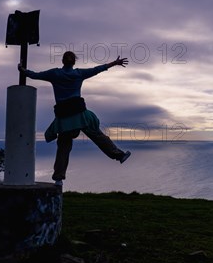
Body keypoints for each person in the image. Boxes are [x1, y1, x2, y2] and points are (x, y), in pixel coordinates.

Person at [18, 51, 131, 186]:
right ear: (74, 62)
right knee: (97, 135)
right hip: (79, 114)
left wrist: (22, 69)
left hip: (64, 117)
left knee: (64, 146)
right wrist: (114, 63)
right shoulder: (78, 74)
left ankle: (58, 179)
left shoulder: (55, 74)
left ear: (62, 61)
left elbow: (34, 75)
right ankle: (119, 155)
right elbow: (97, 70)